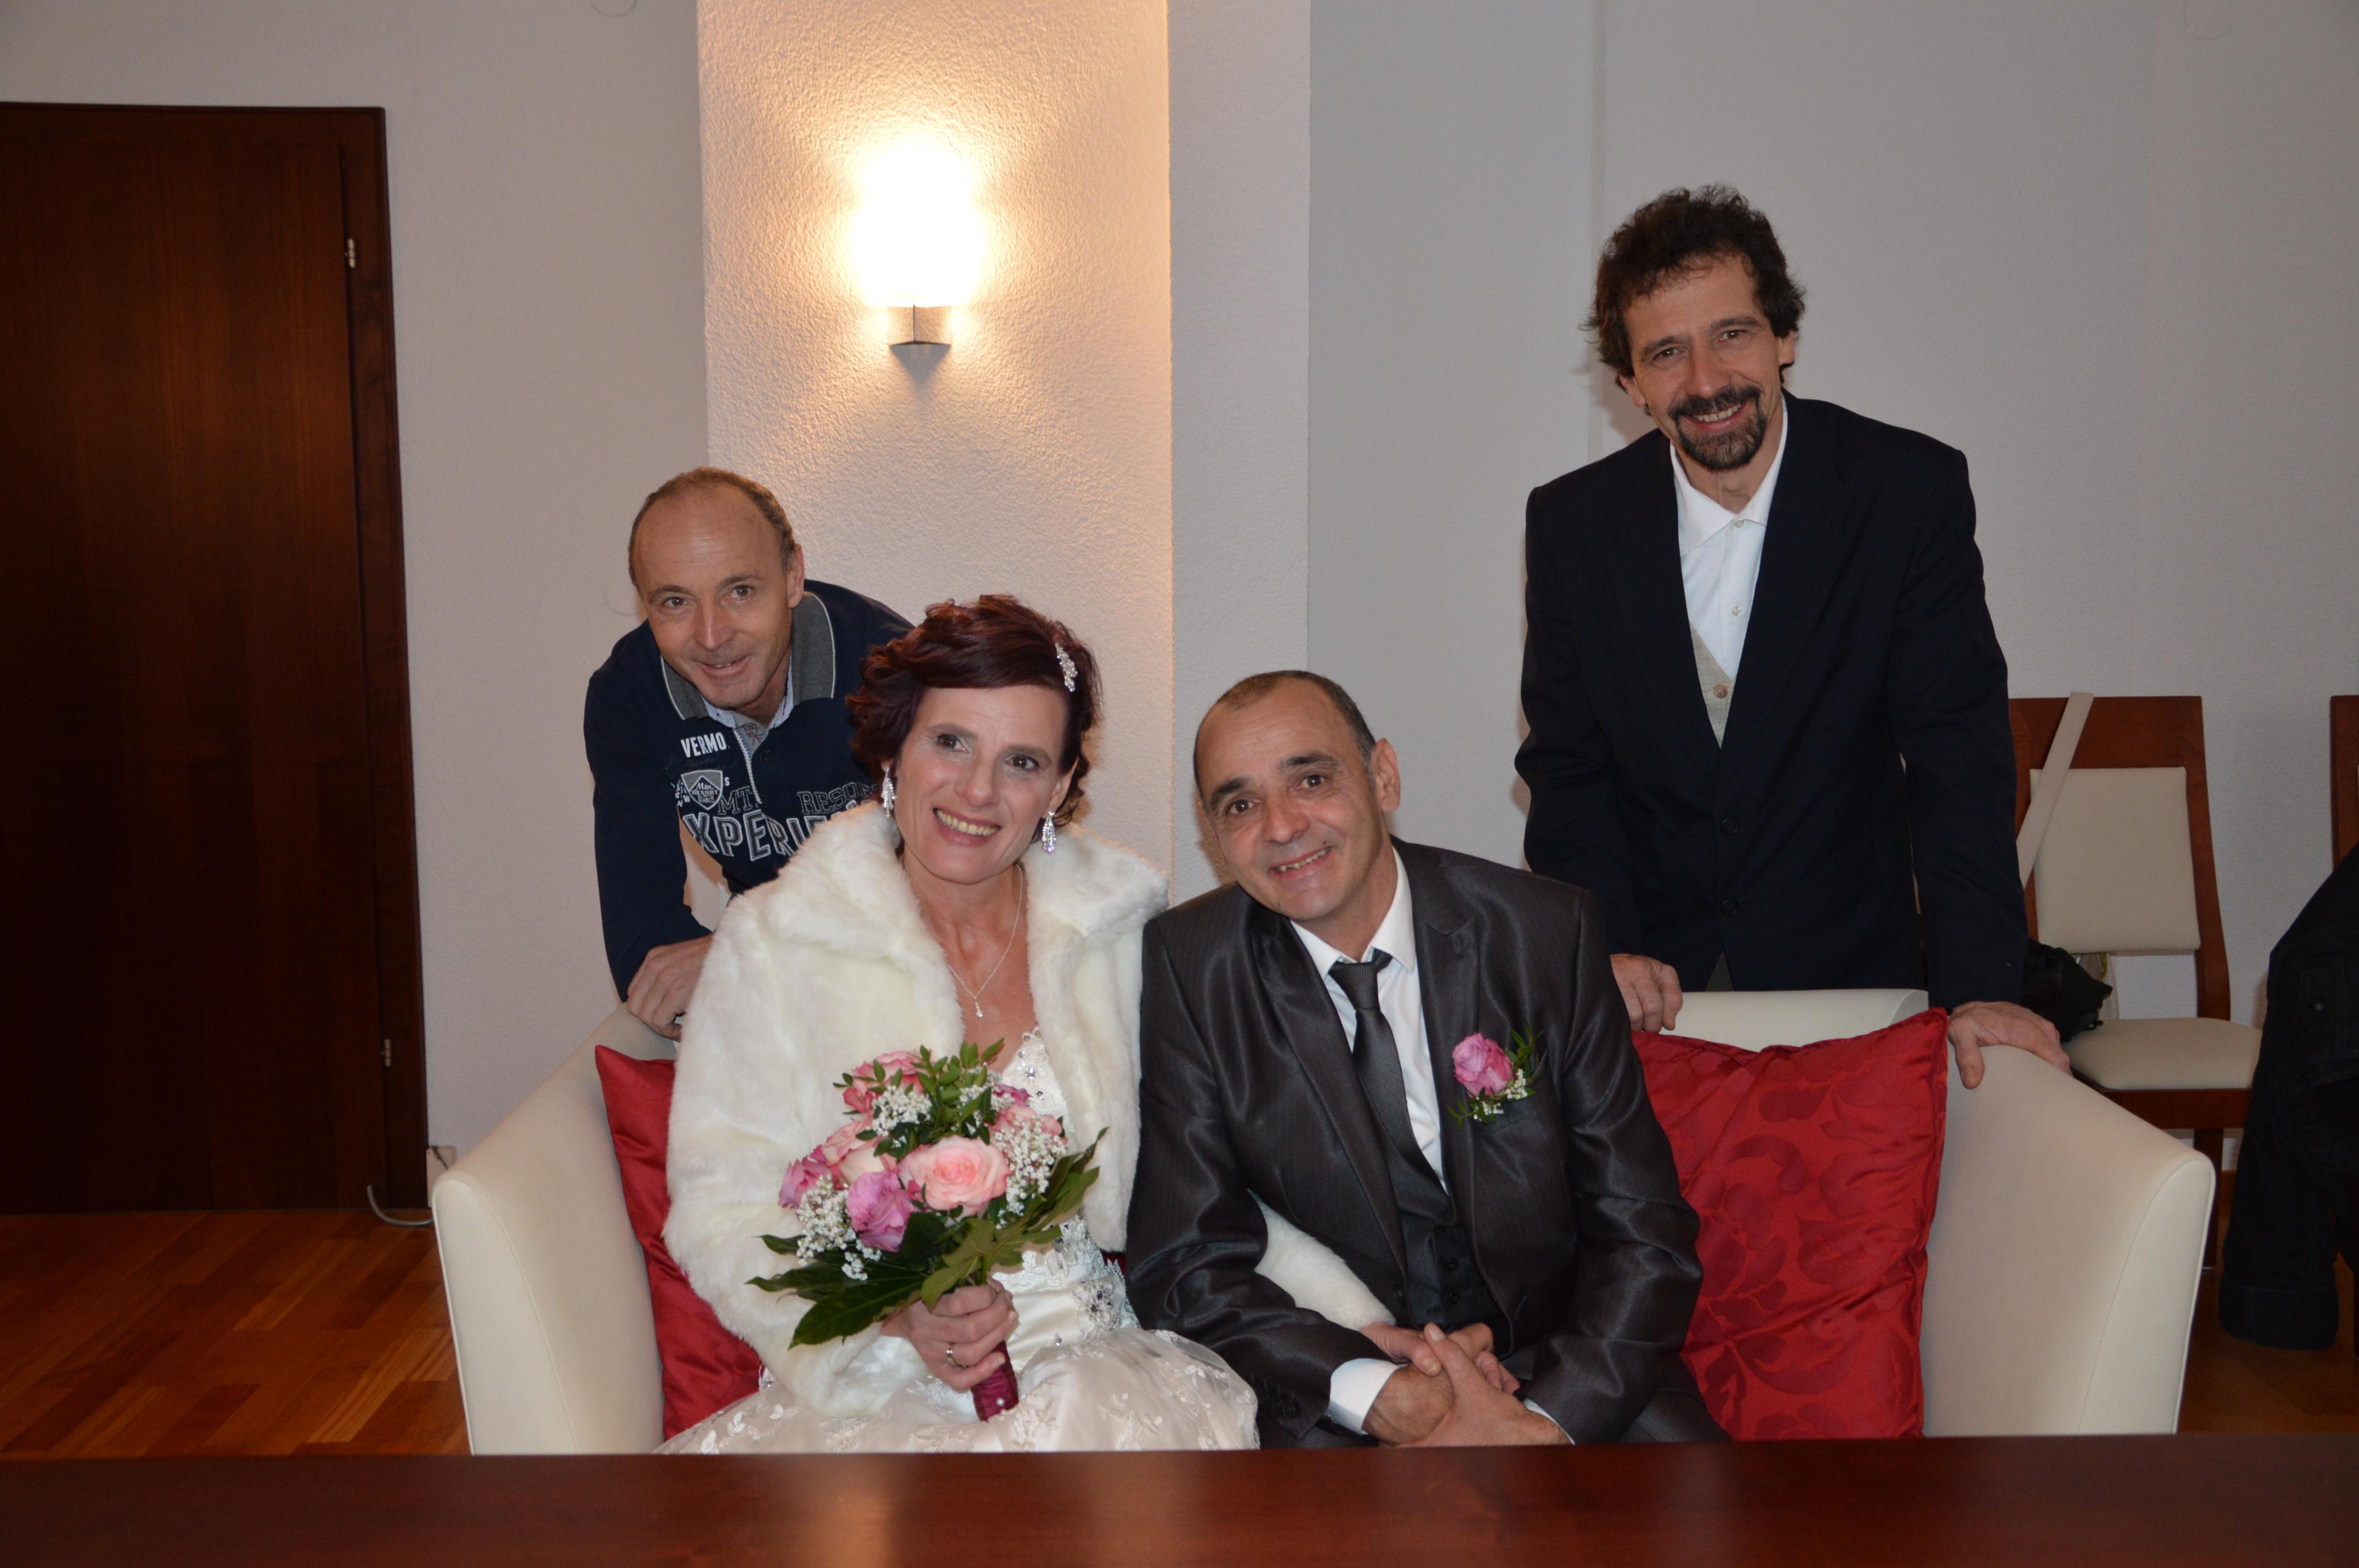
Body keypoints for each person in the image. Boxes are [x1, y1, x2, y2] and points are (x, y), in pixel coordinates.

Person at [660, 599, 1378, 1453]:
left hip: (1102, 1376)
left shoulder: (1123, 932)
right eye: (950, 742)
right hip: (875, 1385)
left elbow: (1221, 1176)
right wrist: (889, 1315)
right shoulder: (776, 940)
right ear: (893, 750)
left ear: (1061, 786)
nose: (978, 791)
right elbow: (719, 1204)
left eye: (1022, 761)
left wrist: (1360, 1320)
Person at [1517, 186, 2065, 1088]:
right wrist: (1604, 952)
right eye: (1666, 353)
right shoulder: (1572, 526)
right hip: (1655, 1005)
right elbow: (1569, 771)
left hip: (1854, 992)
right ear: (1630, 384)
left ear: (1786, 337)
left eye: (1732, 334)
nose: (1706, 382)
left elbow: (1956, 763)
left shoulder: (1906, 494)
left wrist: (1978, 988)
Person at [1127, 671, 1723, 1448]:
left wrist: (1545, 1421)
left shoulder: (1542, 932)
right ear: (1213, 833)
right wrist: (1376, 1393)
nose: (1281, 825)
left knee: (1703, 1503)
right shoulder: (1191, 966)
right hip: (1342, 1385)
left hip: (1568, 1367)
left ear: (1383, 776)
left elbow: (1644, 1229)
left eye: (1311, 779)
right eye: (1240, 804)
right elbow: (1184, 1262)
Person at [585, 467, 909, 1040]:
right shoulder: (628, 697)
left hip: (911, 979)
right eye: (675, 601)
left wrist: (749, 949)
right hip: (774, 998)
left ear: (793, 577)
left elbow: (955, 899)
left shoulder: (894, 674)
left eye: (740, 591)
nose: (712, 636)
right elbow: (645, 946)